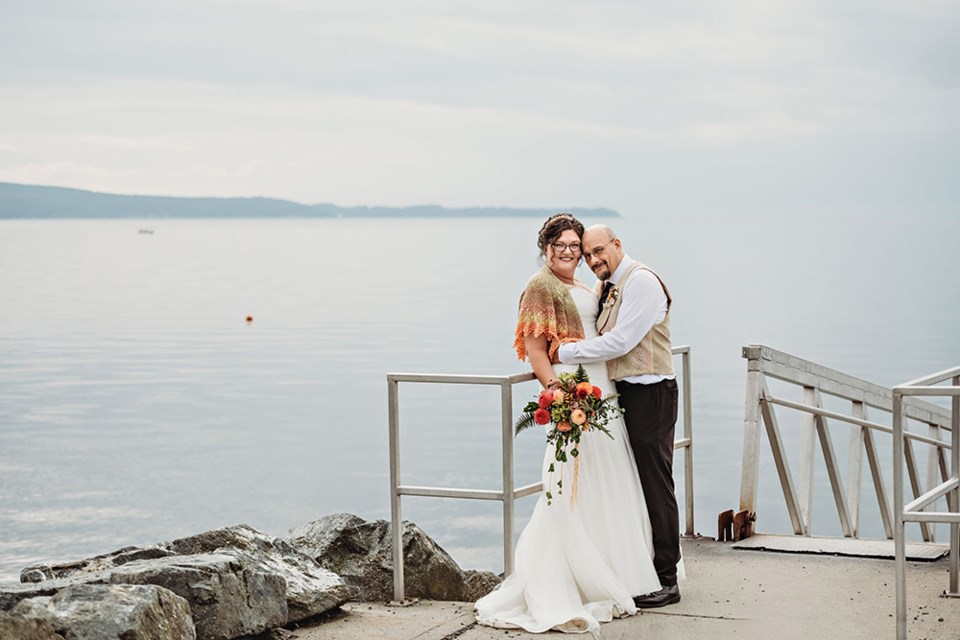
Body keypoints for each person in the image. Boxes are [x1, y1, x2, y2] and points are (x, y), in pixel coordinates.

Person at [474, 214, 661, 636]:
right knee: (571, 483)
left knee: (608, 481)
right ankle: (571, 577)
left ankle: (618, 571)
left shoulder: (585, 286)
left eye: (575, 246)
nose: (569, 252)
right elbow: (538, 351)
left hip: (604, 394)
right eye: (560, 245)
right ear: (545, 246)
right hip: (575, 392)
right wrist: (557, 390)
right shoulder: (541, 287)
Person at [557, 225, 682, 608]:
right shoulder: (610, 284)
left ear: (617, 244)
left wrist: (565, 353)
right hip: (627, 393)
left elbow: (623, 341)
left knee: (656, 483)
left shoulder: (641, 281)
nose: (593, 260)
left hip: (652, 394)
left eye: (598, 251)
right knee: (637, 483)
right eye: (588, 256)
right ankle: (644, 566)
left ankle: (668, 579)